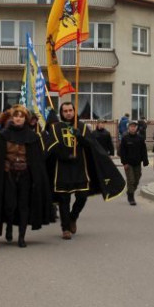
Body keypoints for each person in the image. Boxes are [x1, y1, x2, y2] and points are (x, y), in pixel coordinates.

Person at [45, 101, 124, 239]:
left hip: (80, 167)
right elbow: (50, 147)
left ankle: (73, 217)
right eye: (65, 111)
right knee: (64, 198)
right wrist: (64, 155)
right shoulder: (55, 127)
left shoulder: (81, 126)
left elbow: (91, 145)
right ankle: (65, 229)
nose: (68, 113)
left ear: (74, 111)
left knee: (82, 196)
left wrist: (80, 137)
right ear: (61, 113)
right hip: (62, 168)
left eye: (71, 110)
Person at [0, 105, 52, 247]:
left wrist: (36, 177)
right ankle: (9, 226)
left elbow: (36, 160)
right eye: (16, 116)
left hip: (25, 176)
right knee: (10, 205)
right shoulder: (2, 135)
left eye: (21, 116)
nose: (18, 118)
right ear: (12, 118)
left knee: (23, 205)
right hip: (8, 175)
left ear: (25, 119)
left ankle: (21, 237)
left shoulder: (32, 137)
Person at [117, 119, 149, 206]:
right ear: (128, 128)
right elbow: (122, 152)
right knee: (131, 180)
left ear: (136, 128)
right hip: (128, 163)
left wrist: (145, 161)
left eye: (134, 126)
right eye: (131, 126)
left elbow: (143, 150)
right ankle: (131, 197)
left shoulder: (140, 138)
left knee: (137, 180)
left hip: (137, 163)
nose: (133, 128)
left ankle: (130, 191)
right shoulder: (125, 138)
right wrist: (124, 163)